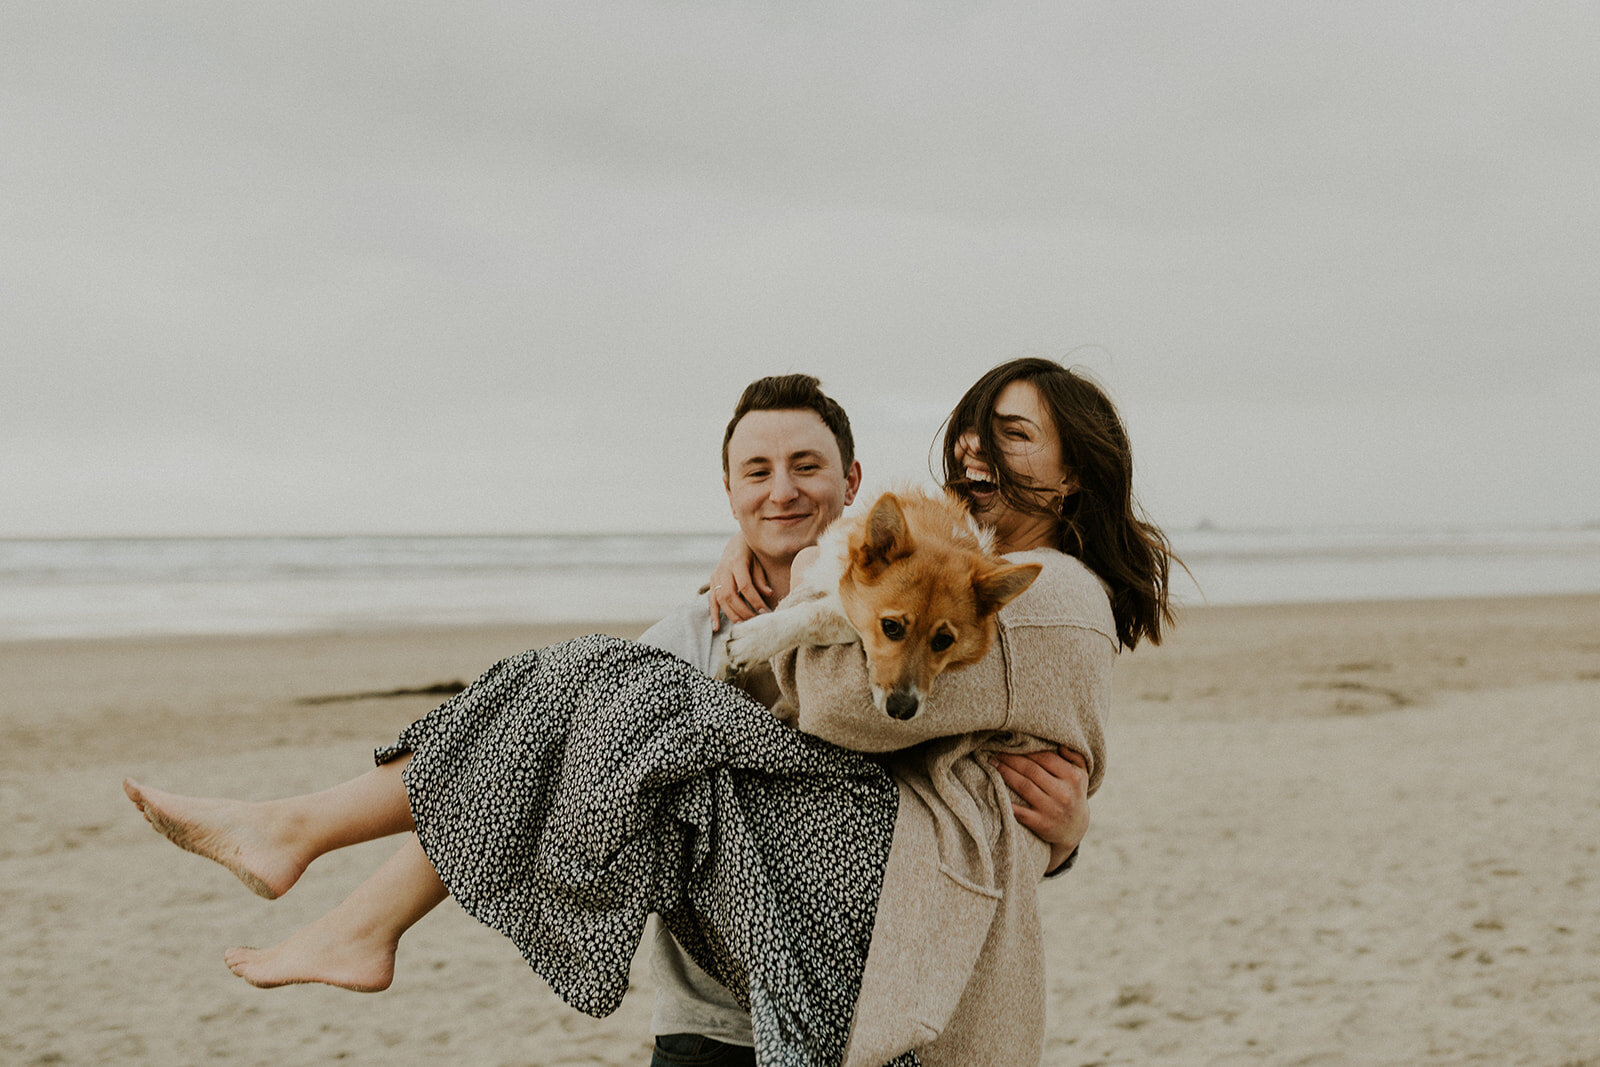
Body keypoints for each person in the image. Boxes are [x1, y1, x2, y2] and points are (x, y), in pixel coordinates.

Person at [122, 360, 1165, 1065]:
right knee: (595, 689)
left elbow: (856, 706)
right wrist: (783, 588)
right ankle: (339, 894)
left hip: (841, 904)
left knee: (607, 688)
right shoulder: (784, 591)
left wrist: (809, 581)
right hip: (720, 968)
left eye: (1013, 435)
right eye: (971, 431)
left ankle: (314, 850)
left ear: (1075, 464)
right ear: (722, 489)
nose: (978, 449)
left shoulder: (1029, 587)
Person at [636, 375, 1090, 1066]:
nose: (782, 489)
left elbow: (968, 787)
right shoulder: (696, 631)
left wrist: (1064, 838)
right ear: (729, 490)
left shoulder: (949, 594)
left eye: (807, 467)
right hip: (713, 1026)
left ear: (852, 482)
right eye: (757, 472)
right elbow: (559, 743)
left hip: (864, 1020)